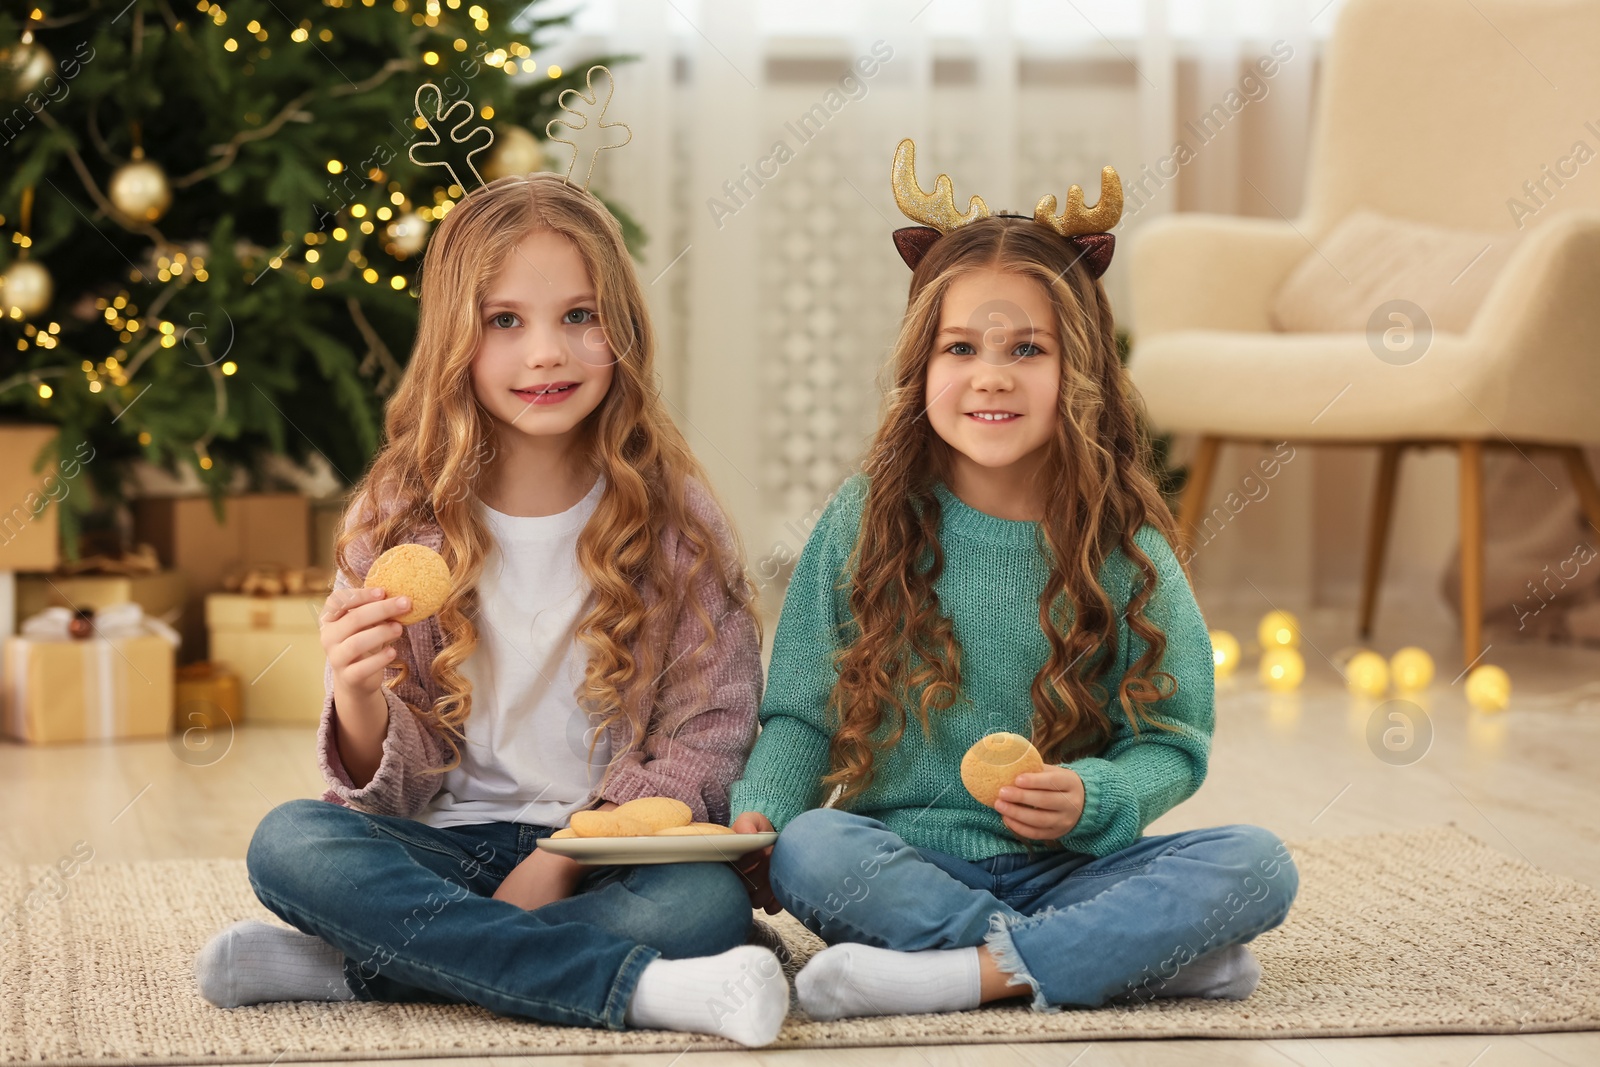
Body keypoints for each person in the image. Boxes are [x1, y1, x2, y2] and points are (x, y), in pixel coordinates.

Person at [193, 172, 787, 1048]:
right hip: (443, 848)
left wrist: (563, 855)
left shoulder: (679, 525)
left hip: (605, 860)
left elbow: (712, 730)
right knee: (290, 842)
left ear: (622, 330)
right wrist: (357, 699)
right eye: (505, 320)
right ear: (454, 340)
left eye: (579, 317)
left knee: (698, 904)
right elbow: (383, 793)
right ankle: (653, 993)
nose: (545, 352)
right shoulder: (394, 517)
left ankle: (365, 970)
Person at [726, 140, 1299, 1020]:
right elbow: (803, 710)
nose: (991, 375)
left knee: (1257, 862)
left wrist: (1096, 795)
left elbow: (1173, 739)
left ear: (1081, 369)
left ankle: (960, 975)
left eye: (1027, 349)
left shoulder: (1124, 536)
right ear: (924, 366)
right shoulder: (863, 516)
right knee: (814, 849)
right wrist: (762, 814)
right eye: (962, 347)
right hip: (902, 858)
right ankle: (1115, 959)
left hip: (1074, 867)